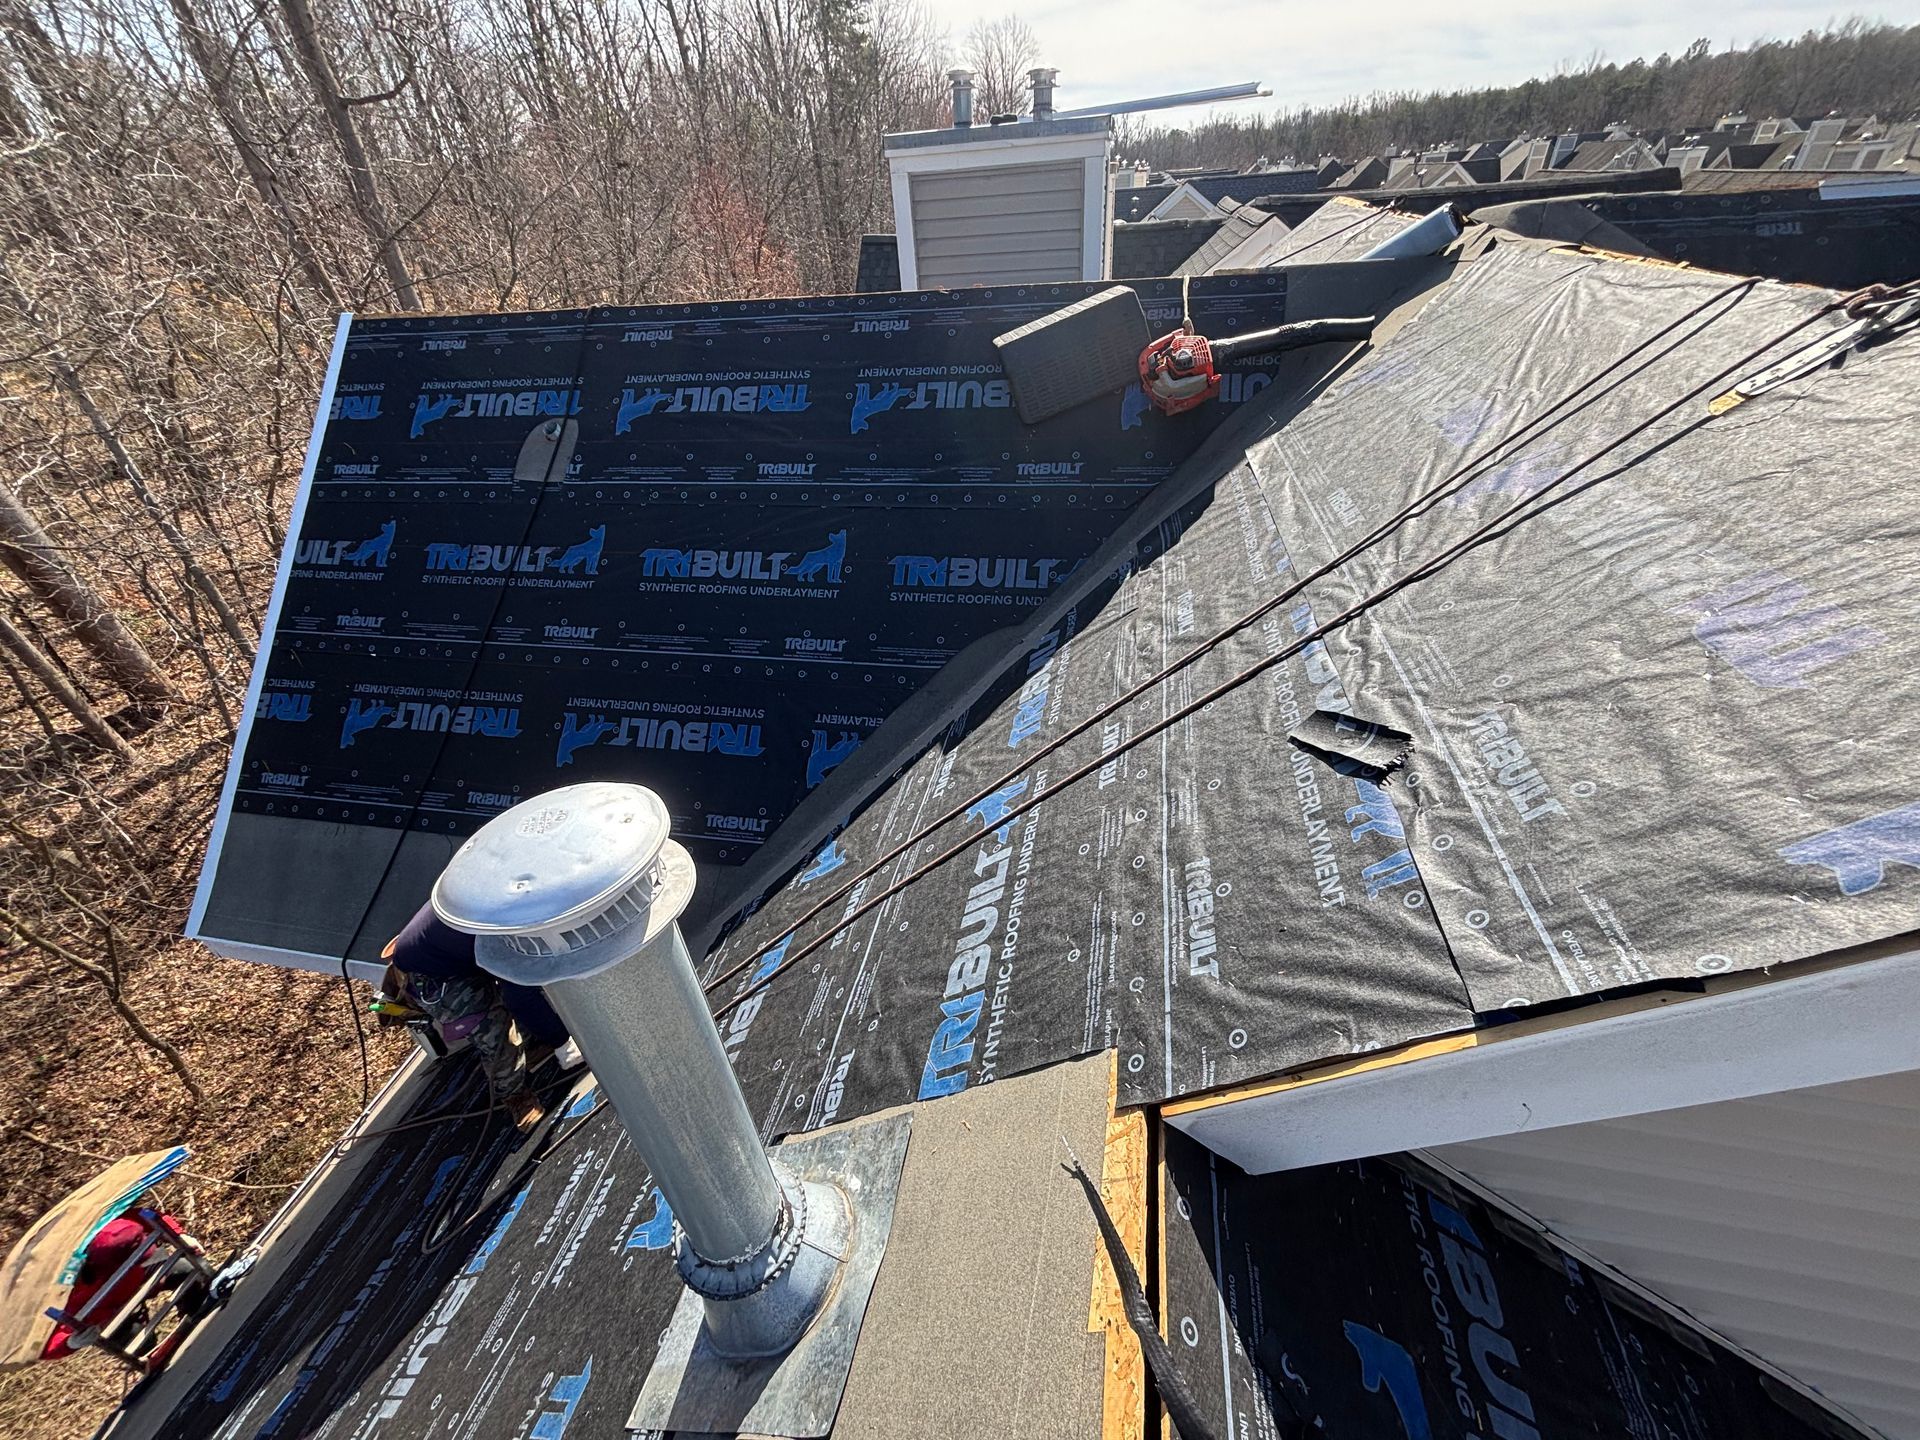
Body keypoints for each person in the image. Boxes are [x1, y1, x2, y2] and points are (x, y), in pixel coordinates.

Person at [381, 901, 571, 1130]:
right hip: (431, 975)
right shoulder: (505, 927)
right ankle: (516, 1098)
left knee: (521, 991)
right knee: (493, 1028)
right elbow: (520, 994)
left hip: (453, 950)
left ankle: (533, 1044)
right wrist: (563, 1043)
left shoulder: (520, 903)